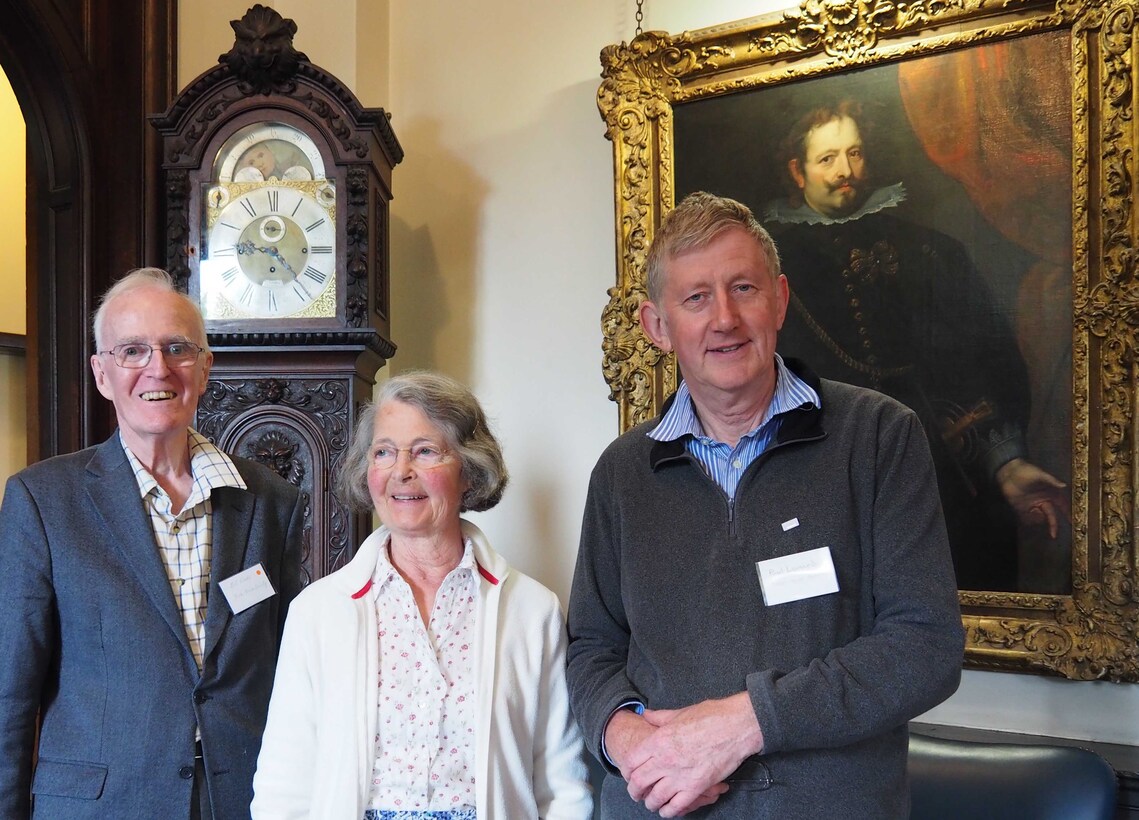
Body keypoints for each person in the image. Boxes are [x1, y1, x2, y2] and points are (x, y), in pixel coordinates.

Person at [566, 192, 965, 818]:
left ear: (779, 299)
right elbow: (591, 647)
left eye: (743, 288)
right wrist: (625, 735)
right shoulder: (621, 473)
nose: (724, 318)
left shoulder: (880, 436)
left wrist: (746, 723)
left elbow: (925, 648)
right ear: (658, 327)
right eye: (696, 298)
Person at [0, 267, 304, 818]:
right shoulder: (42, 501)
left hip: (241, 801)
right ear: (101, 374)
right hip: (98, 806)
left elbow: (288, 674)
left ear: (206, 367)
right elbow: (9, 693)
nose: (157, 368)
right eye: (132, 351)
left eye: (177, 348)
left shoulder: (272, 501)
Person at [250, 371, 593, 819]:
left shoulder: (533, 611)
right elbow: (284, 782)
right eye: (384, 452)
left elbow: (561, 781)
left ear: (468, 472)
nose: (401, 471)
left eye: (426, 451)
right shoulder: (317, 612)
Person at [764, 98, 1069, 591]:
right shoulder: (770, 267)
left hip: (936, 466)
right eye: (827, 159)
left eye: (855, 153)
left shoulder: (930, 251)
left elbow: (982, 361)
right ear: (797, 172)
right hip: (820, 483)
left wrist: (1005, 460)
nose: (846, 171)